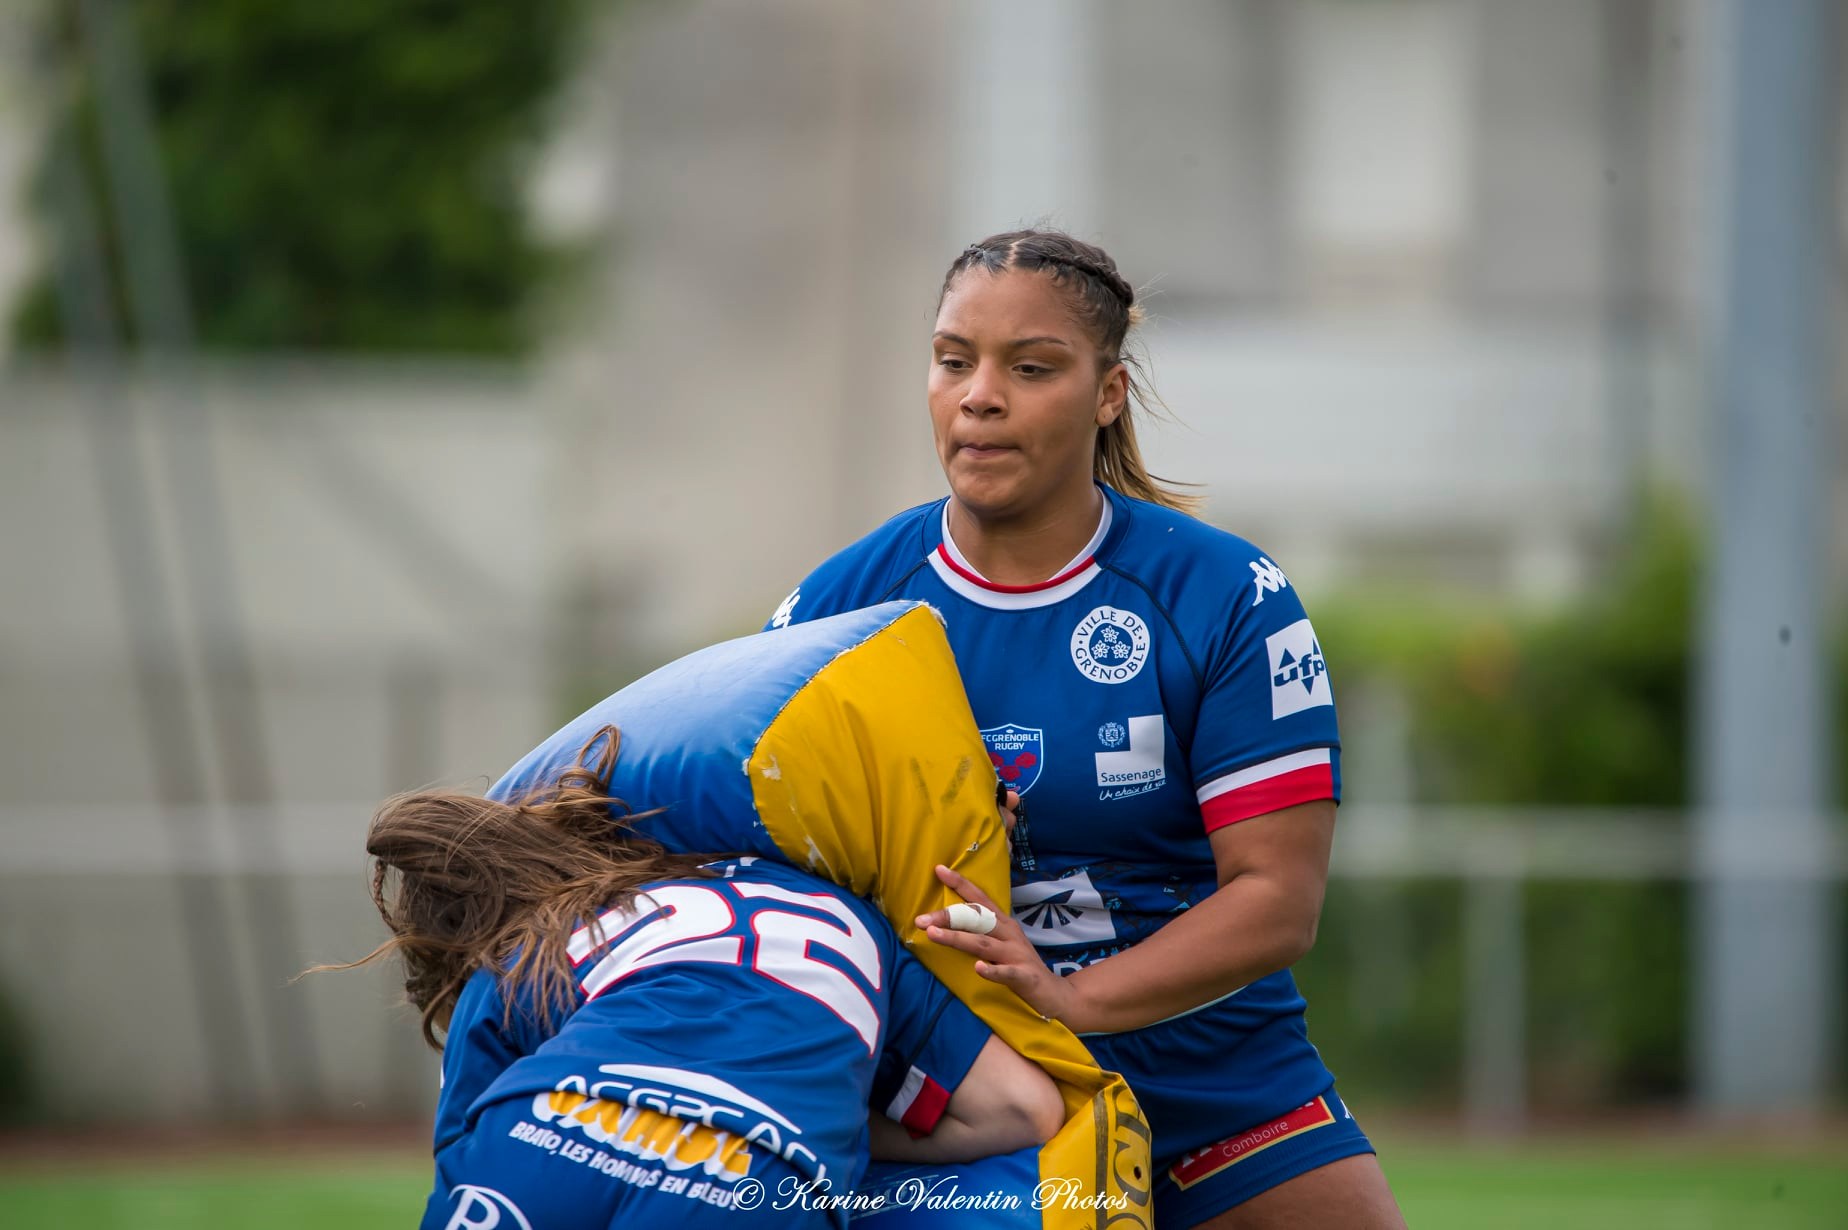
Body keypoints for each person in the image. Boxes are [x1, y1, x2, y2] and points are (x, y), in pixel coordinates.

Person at [765, 230, 1406, 1229]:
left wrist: (1074, 999)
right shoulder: (839, 611)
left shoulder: (1223, 596)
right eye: (952, 361)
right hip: (957, 1087)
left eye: (1031, 367)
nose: (981, 395)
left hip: (1211, 1075)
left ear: (1108, 392)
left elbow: (1278, 900)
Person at [338, 726, 1064, 1230]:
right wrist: (832, 1136)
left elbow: (463, 1135)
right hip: (755, 1180)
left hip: (547, 1136)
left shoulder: (540, 940)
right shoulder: (861, 929)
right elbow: (1024, 1110)